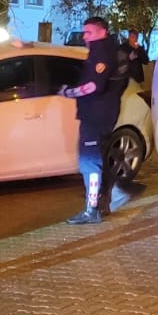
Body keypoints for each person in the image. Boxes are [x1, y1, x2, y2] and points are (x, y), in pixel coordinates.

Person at [60, 15, 127, 225]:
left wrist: (69, 93)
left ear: (102, 32)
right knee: (98, 160)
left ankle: (92, 210)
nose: (85, 36)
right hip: (102, 114)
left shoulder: (102, 52)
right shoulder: (106, 51)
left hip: (95, 116)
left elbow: (93, 86)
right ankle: (105, 201)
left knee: (89, 163)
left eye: (89, 32)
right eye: (84, 32)